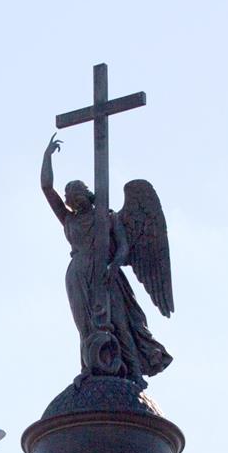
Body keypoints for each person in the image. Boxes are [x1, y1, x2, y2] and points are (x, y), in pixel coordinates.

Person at [41, 134, 172, 386]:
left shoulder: (107, 218)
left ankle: (133, 372)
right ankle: (90, 365)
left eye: (73, 192)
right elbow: (47, 189)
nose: (69, 197)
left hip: (105, 272)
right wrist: (47, 157)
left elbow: (122, 247)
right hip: (78, 275)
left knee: (120, 323)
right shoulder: (69, 219)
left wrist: (114, 265)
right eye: (67, 195)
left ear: (85, 194)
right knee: (86, 325)